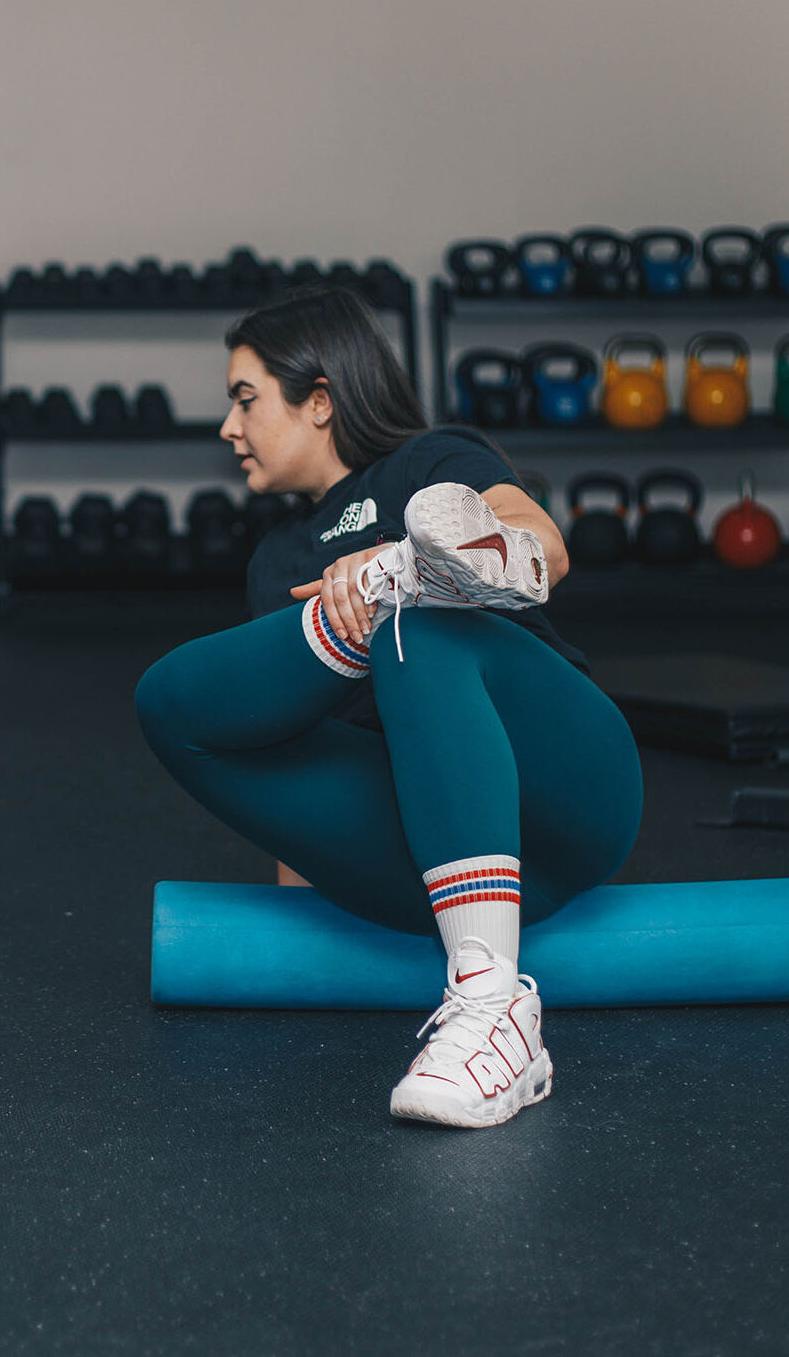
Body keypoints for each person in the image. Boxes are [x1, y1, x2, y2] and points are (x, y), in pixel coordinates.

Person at [134, 288, 643, 1128]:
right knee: (171, 700)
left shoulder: (426, 462)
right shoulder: (276, 564)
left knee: (421, 621)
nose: (228, 428)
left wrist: (406, 564)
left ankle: (496, 1015)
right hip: (417, 859)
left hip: (562, 791)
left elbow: (542, 545)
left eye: (245, 398)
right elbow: (301, 757)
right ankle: (381, 602)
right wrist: (303, 927)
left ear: (321, 401)